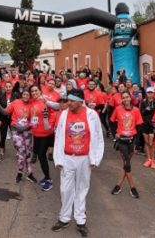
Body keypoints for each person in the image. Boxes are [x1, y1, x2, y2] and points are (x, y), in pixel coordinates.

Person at [51, 89, 104, 237]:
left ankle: (80, 220)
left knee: (82, 189)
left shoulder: (92, 115)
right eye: (68, 100)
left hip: (85, 158)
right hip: (68, 157)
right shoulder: (64, 114)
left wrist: (96, 158)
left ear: (80, 101)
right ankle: (64, 218)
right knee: (65, 189)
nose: (68, 103)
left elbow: (99, 138)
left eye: (72, 101)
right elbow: (59, 136)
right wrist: (58, 158)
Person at [110, 91, 143, 198]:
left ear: (130, 97)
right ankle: (132, 187)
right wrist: (115, 133)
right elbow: (111, 121)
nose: (125, 99)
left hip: (131, 140)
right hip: (122, 141)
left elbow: (139, 127)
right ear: (121, 99)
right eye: (123, 98)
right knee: (127, 163)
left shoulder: (136, 110)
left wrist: (137, 143)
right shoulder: (118, 109)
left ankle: (118, 185)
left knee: (126, 164)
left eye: (127, 97)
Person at [0, 89, 36, 184]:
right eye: (24, 94)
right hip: (16, 131)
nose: (25, 96)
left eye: (27, 95)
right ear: (21, 95)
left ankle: (30, 173)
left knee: (28, 153)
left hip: (27, 131)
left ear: (30, 96)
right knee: (21, 153)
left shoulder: (32, 104)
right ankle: (19, 172)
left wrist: (33, 124)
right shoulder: (16, 102)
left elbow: (34, 119)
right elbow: (6, 112)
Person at [30, 85, 56, 191]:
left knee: (41, 155)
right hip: (36, 134)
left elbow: (54, 112)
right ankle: (46, 177)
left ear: (40, 91)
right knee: (40, 156)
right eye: (32, 91)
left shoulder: (46, 100)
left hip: (46, 133)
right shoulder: (32, 102)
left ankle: (49, 179)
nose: (34, 92)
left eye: (36, 90)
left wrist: (50, 125)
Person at [140, 87, 155, 168]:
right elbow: (141, 113)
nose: (150, 94)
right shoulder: (143, 102)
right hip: (145, 124)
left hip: (153, 125)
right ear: (146, 93)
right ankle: (148, 159)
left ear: (154, 94)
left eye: (151, 93)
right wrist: (146, 109)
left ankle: (153, 160)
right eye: (148, 93)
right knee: (146, 142)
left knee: (152, 143)